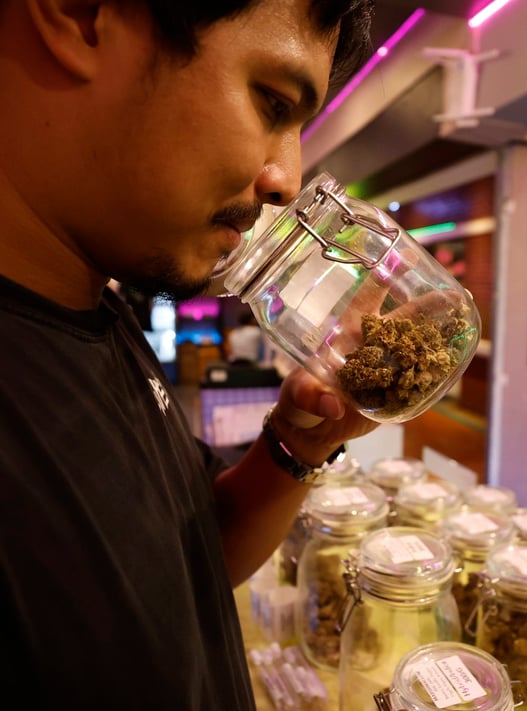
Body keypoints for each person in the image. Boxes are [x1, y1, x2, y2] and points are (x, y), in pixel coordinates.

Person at [0, 1, 375, 708]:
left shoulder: (96, 307)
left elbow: (189, 557)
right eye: (273, 101)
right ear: (81, 16)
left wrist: (298, 446)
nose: (286, 179)